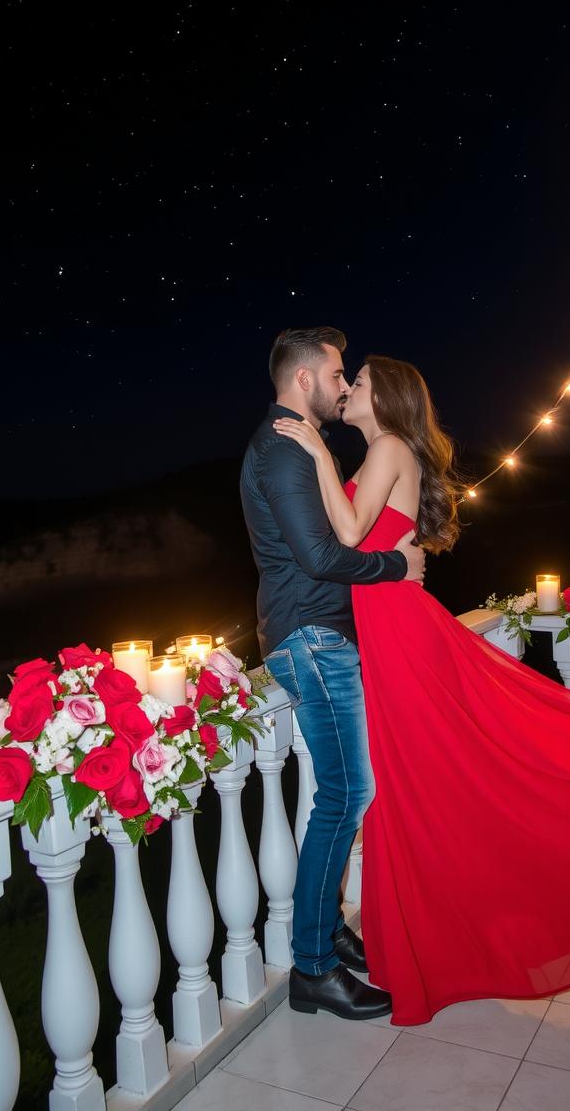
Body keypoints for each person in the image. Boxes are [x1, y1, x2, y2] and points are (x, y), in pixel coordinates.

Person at [271, 353, 570, 1026]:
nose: (349, 387)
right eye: (346, 380)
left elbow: (349, 535)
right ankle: (418, 942)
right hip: (388, 636)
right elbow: (351, 544)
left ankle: (427, 949)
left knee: (424, 787)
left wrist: (316, 451)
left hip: (401, 640)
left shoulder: (384, 446)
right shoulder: (383, 450)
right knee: (410, 793)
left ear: (388, 399)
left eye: (363, 381)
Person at [240, 327, 425, 1022]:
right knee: (346, 796)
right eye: (339, 373)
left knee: (342, 794)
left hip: (316, 636)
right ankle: (312, 965)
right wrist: (394, 568)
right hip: (312, 638)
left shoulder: (287, 443)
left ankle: (326, 938)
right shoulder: (286, 446)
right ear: (304, 380)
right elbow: (322, 556)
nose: (346, 384)